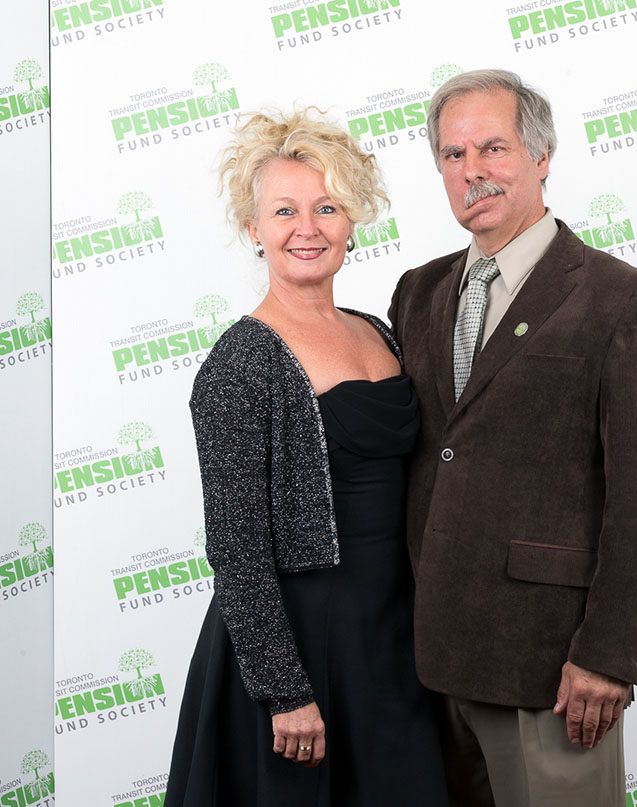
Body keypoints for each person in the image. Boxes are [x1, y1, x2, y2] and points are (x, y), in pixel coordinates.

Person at [388, 69, 637, 806]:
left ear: (542, 156)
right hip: (429, 663)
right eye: (453, 156)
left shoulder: (623, 300)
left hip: (550, 668)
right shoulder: (418, 292)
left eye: (493, 147)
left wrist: (608, 654)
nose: (472, 171)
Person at [166, 107, 448, 807]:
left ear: (353, 218)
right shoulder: (241, 362)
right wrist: (284, 691)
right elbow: (236, 547)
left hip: (392, 635)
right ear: (254, 228)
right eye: (285, 210)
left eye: (327, 207)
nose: (307, 228)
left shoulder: (379, 330)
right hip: (298, 644)